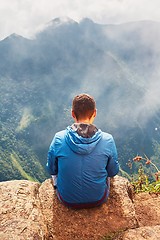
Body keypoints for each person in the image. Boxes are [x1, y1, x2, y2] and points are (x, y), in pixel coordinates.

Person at [46, 93, 119, 208]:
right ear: (94, 113)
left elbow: (51, 169)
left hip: (66, 199)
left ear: (72, 113)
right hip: (98, 198)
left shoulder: (59, 138)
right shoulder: (107, 139)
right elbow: (113, 172)